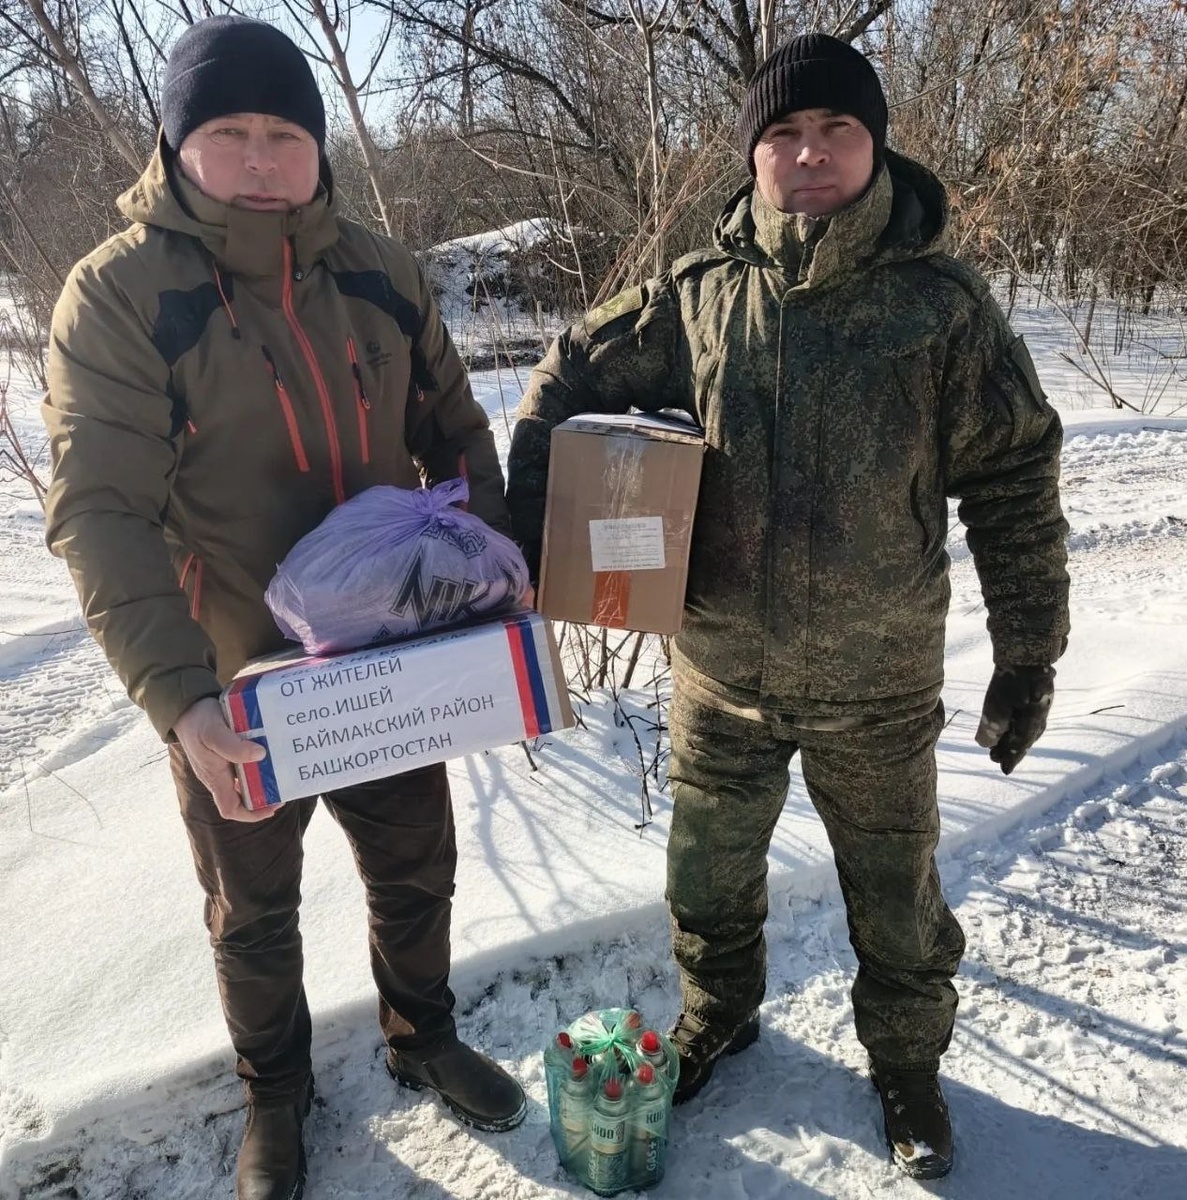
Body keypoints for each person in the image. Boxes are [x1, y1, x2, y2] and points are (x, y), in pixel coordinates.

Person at [506, 32, 1069, 1180]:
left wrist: (1029, 652)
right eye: (785, 134)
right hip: (721, 673)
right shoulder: (702, 297)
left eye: (836, 130)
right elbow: (569, 374)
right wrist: (530, 529)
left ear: (876, 147)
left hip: (879, 682)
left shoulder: (940, 309)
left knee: (897, 897)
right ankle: (718, 1014)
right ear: (754, 153)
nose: (810, 153)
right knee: (705, 878)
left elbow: (1015, 476)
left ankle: (907, 1065)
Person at [43, 16, 526, 1200]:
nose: (261, 160)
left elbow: (457, 434)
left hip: (390, 664)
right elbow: (100, 511)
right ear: (176, 143)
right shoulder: (119, 294)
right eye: (229, 133)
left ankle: (422, 1036)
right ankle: (277, 1095)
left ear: (317, 148)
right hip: (239, 685)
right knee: (251, 910)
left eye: (284, 134)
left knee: (416, 867)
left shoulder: (381, 272)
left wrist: (495, 579)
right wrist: (178, 699)